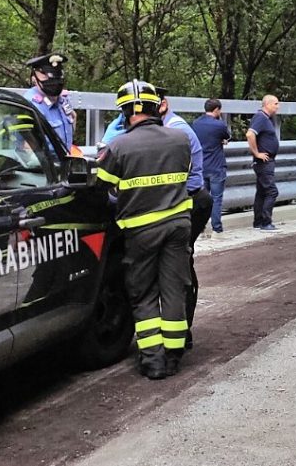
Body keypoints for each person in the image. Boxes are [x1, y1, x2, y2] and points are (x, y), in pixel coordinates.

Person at [96, 79, 192, 380]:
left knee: (143, 293)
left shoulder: (118, 146)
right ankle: (175, 355)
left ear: (125, 113)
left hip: (141, 231)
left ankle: (153, 361)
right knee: (174, 288)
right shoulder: (180, 139)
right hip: (179, 226)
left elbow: (101, 186)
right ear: (156, 106)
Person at [156, 88, 212, 351]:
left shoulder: (176, 131)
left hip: (190, 201)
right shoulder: (162, 128)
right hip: (184, 200)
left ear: (163, 105)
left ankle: (182, 330)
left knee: (180, 264)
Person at [191, 98, 231, 234]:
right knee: (216, 199)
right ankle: (216, 229)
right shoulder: (219, 125)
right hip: (216, 167)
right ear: (216, 110)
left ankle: (200, 228)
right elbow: (226, 137)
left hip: (201, 166)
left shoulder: (196, 123)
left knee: (201, 200)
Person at [24, 53, 76, 152]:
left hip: (64, 161)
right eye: (47, 76)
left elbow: (73, 119)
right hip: (44, 164)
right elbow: (27, 149)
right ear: (34, 78)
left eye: (57, 76)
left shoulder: (63, 100)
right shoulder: (30, 105)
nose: (53, 81)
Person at [246, 95, 280, 230]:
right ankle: (266, 222)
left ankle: (258, 221)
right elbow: (250, 134)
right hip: (263, 162)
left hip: (267, 161)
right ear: (268, 104)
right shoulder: (260, 117)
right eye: (276, 104)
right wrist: (256, 153)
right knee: (272, 191)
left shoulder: (267, 119)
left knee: (261, 192)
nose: (278, 106)